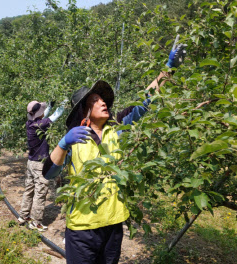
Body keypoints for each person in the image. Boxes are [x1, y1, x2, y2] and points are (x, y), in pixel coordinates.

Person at [42, 36, 187, 263]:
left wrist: (168, 69)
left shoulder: (117, 128)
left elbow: (144, 101)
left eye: (104, 99)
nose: (103, 102)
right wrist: (63, 143)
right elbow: (49, 173)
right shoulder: (74, 139)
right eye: (95, 99)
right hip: (82, 228)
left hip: (113, 224)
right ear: (84, 111)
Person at [18, 99, 67, 231]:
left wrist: (49, 106)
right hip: (39, 165)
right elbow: (56, 115)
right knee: (40, 191)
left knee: (29, 188)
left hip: (30, 163)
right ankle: (35, 222)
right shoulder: (41, 124)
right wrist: (64, 102)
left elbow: (43, 116)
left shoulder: (31, 123)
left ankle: (24, 215)